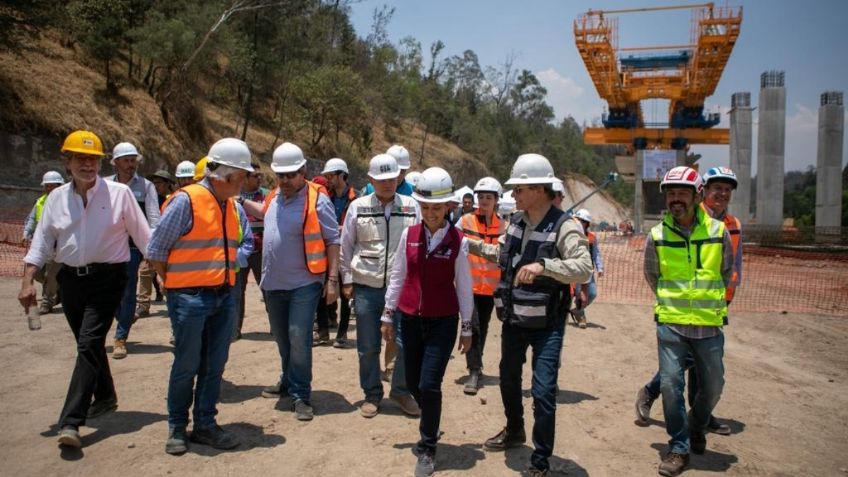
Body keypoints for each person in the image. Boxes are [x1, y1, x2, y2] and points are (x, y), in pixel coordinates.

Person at [18, 130, 151, 449]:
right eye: (81, 158)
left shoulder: (119, 194)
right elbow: (41, 243)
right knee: (87, 345)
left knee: (89, 343)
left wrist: (167, 275)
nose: (88, 165)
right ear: (68, 161)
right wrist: (27, 281)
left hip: (110, 279)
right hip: (71, 281)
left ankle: (71, 421)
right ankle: (105, 395)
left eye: (93, 160)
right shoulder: (55, 199)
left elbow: (145, 238)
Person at [471, 153, 593, 477]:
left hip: (547, 325)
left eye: (519, 189)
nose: (513, 195)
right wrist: (471, 246)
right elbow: (504, 254)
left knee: (543, 392)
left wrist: (545, 266)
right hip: (514, 320)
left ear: (538, 189)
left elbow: (584, 268)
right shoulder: (517, 222)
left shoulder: (566, 226)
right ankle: (515, 430)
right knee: (508, 380)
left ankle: (540, 462)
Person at [147, 138, 254, 455]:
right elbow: (156, 250)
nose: (245, 181)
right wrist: (174, 286)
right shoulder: (186, 201)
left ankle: (205, 425)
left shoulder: (232, 206)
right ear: (229, 174)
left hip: (224, 296)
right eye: (242, 175)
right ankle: (177, 428)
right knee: (187, 364)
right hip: (189, 299)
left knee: (214, 365)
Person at [636, 166, 742, 436]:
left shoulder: (728, 226)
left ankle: (701, 416)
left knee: (704, 373)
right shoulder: (676, 222)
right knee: (681, 370)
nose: (722, 194)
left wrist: (719, 297)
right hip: (679, 312)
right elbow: (654, 274)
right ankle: (682, 421)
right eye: (717, 188)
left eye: (727, 190)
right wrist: (680, 297)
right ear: (703, 192)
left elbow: (730, 266)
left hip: (712, 306)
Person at [383, 167, 473, 477]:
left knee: (428, 384)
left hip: (443, 323)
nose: (431, 213)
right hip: (409, 319)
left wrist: (467, 327)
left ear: (449, 206)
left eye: (437, 207)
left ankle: (427, 448)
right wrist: (387, 314)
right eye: (426, 207)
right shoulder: (409, 235)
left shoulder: (458, 241)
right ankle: (430, 419)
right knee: (411, 384)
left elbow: (463, 286)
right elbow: (398, 276)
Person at [258, 142, 340, 421]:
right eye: (280, 175)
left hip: (305, 283)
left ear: (303, 170)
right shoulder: (272, 198)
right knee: (282, 338)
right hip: (273, 284)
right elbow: (264, 218)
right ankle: (287, 379)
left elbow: (332, 241)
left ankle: (301, 395)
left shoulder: (319, 200)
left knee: (298, 336)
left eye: (291, 174)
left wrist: (332, 280)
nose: (285, 180)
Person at [340, 153, 421, 419]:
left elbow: (418, 245)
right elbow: (346, 244)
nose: (387, 183)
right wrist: (347, 279)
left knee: (405, 343)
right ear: (371, 179)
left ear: (400, 177)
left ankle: (400, 390)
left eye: (392, 178)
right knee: (368, 345)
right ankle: (372, 394)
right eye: (381, 179)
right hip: (367, 287)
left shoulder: (411, 206)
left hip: (401, 289)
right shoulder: (358, 206)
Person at [106, 142, 161, 359]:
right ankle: (125, 317)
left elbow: (153, 218)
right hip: (108, 245)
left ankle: (120, 338)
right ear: (116, 162)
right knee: (109, 291)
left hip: (132, 246)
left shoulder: (146, 187)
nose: (130, 165)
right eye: (126, 160)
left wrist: (151, 248)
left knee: (128, 290)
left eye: (133, 160)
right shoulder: (104, 185)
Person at [455, 176, 505, 395]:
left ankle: (477, 364)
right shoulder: (464, 221)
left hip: (491, 288)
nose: (484, 201)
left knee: (482, 328)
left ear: (496, 200)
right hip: (468, 285)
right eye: (481, 197)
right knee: (472, 325)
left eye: (488, 197)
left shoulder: (504, 226)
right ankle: (474, 370)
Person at [314, 157, 358, 348]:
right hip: (327, 248)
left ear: (342, 175)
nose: (328, 179)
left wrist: (343, 229)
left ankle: (342, 334)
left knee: (346, 291)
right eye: (327, 176)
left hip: (348, 248)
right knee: (321, 290)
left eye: (331, 175)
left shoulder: (356, 199)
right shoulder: (324, 197)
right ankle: (323, 332)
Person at [232, 162, 269, 341]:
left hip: (262, 249)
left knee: (269, 289)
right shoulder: (232, 197)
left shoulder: (266, 196)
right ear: (245, 178)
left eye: (260, 175)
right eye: (255, 175)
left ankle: (276, 325)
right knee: (237, 291)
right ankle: (234, 329)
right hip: (240, 251)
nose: (260, 178)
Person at [22, 170, 66, 315]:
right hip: (42, 244)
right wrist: (26, 233)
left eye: (53, 185)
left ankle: (47, 303)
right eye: (47, 186)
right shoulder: (40, 201)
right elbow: (32, 219)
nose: (50, 188)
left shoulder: (68, 202)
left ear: (60, 186)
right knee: (36, 274)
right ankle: (58, 288)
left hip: (59, 245)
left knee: (50, 275)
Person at [136, 170, 175, 316]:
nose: (156, 186)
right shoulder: (151, 198)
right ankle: (143, 305)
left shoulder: (174, 198)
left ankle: (172, 302)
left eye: (159, 183)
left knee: (167, 275)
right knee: (145, 271)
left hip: (171, 242)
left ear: (167, 184)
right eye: (154, 183)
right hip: (154, 239)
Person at [571, 208, 604, 329]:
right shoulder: (570, 235)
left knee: (592, 293)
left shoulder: (591, 237)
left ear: (587, 223)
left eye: (582, 221)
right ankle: (580, 316)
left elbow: (596, 253)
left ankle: (577, 309)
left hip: (587, 272)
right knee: (577, 294)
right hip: (574, 270)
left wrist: (600, 267)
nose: (580, 223)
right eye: (578, 220)